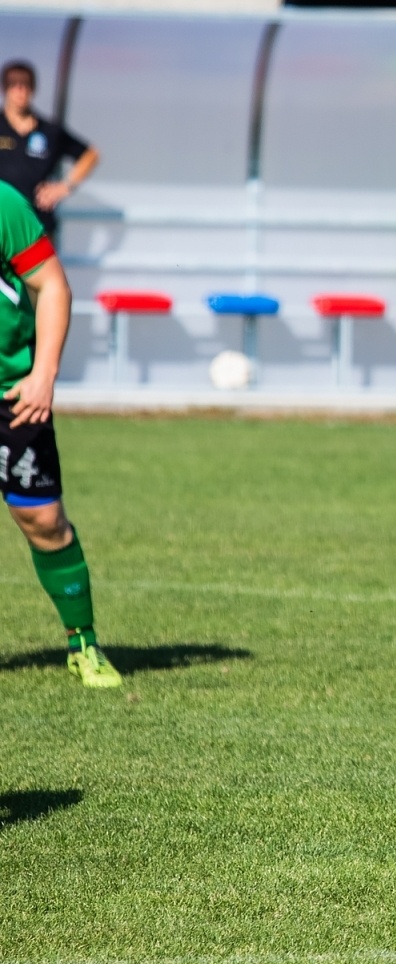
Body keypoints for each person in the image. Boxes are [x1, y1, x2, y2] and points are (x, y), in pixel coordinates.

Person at [0, 180, 119, 687]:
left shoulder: (4, 203)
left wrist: (44, 372)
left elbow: (51, 284)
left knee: (43, 520)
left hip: (10, 393)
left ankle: (83, 643)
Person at [0, 60, 98, 237]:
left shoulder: (49, 131)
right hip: (3, 227)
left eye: (25, 85)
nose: (20, 91)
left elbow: (90, 155)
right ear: (5, 89)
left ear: (33, 89)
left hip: (39, 227)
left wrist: (65, 186)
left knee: (46, 264)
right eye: (14, 85)